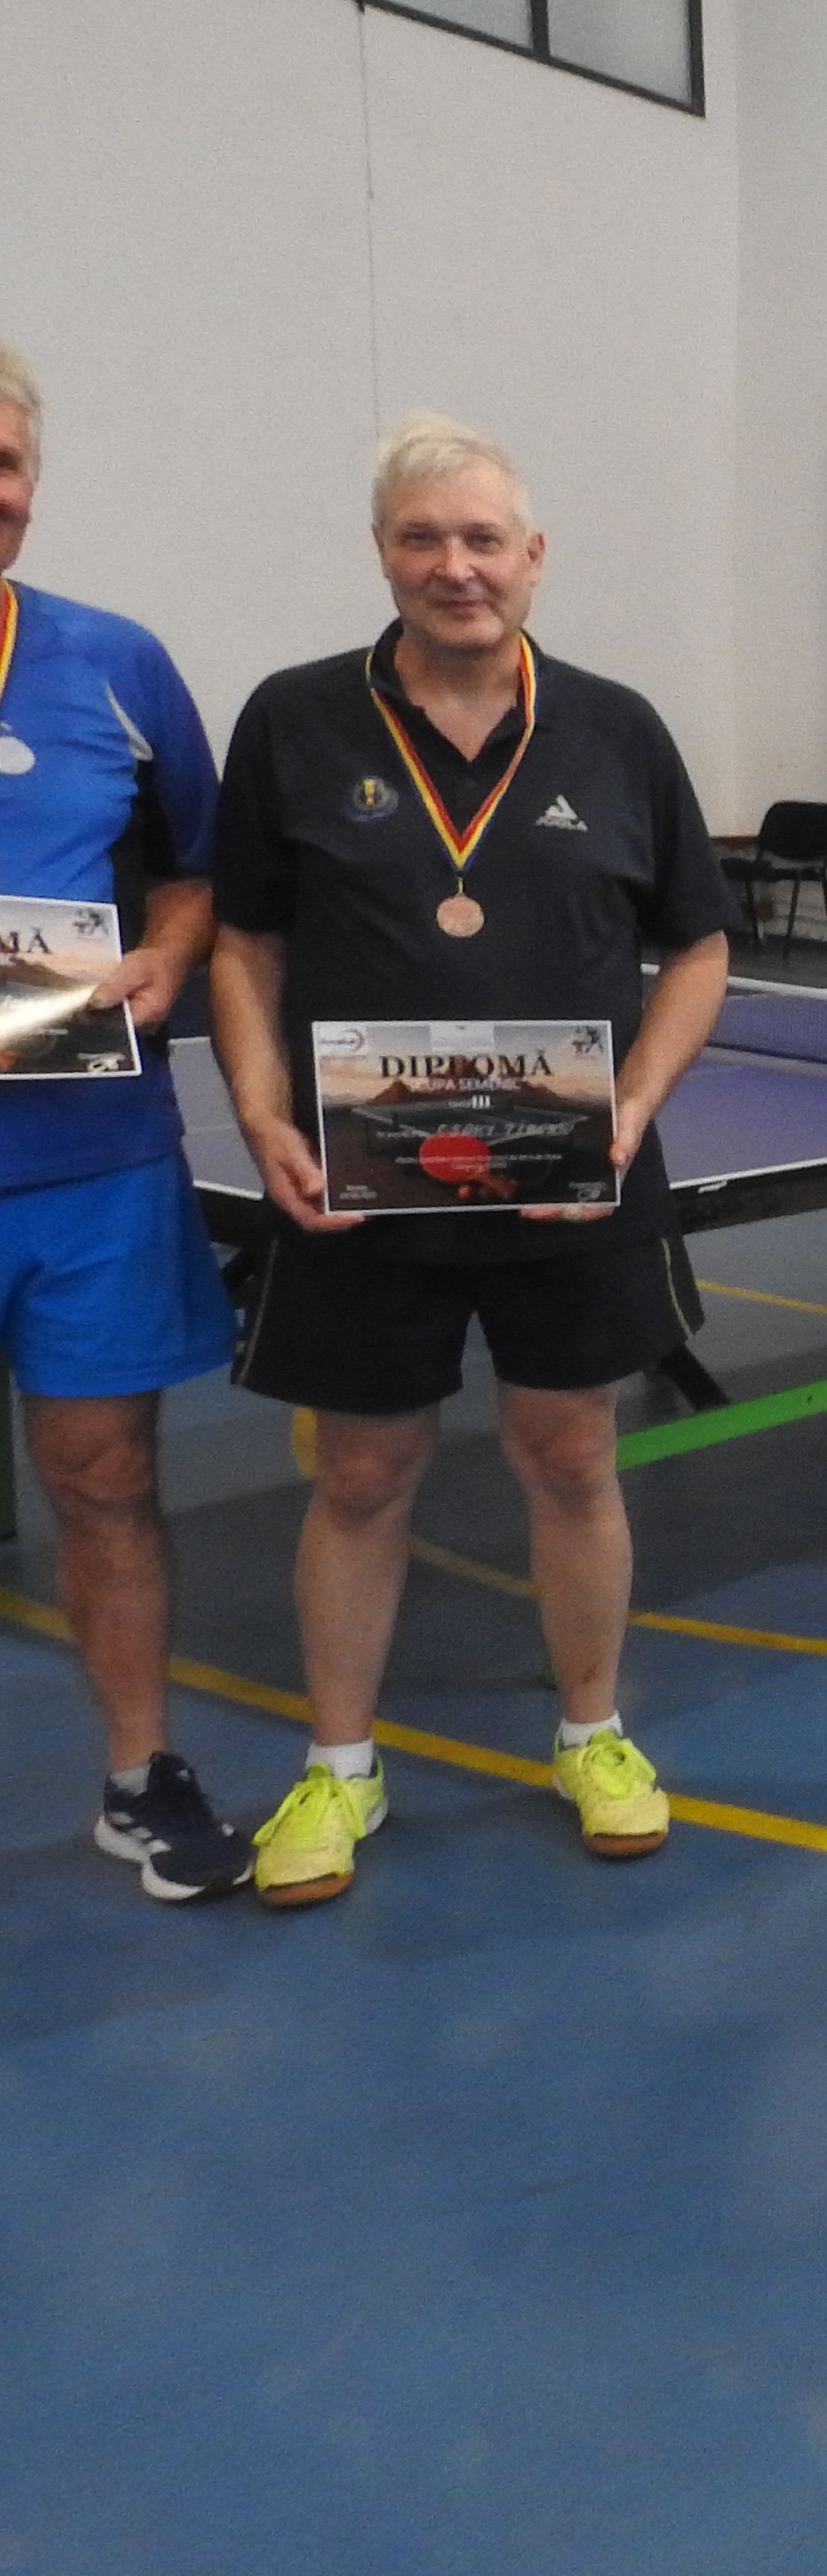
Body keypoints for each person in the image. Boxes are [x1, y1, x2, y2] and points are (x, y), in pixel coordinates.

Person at [206, 416, 738, 1908]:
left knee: (572, 1454)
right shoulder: (294, 720)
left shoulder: (618, 729)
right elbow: (244, 939)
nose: (457, 566)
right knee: (363, 1469)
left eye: (483, 539)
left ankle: (594, 1733)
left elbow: (698, 946)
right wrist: (261, 1112)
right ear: (382, 553)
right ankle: (339, 1765)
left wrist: (634, 1102)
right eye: (423, 538)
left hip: (574, 1169)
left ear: (533, 556)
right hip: (365, 1175)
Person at [0, 340, 253, 1900]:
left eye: (5, 462)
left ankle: (139, 1776)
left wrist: (166, 955)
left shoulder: (114, 662)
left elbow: (197, 869)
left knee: (105, 1482)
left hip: (88, 1166)